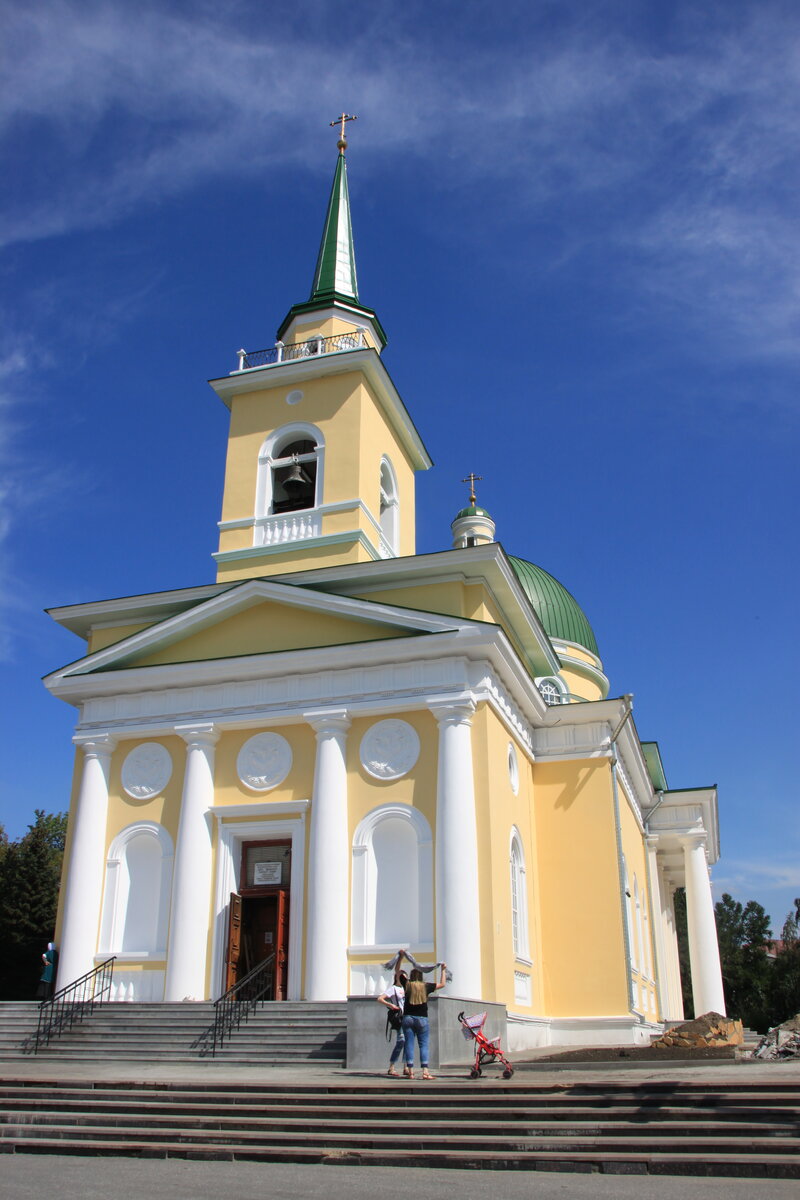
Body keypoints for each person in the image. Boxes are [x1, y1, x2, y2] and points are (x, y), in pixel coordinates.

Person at [401, 961, 446, 1080]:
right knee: (423, 1045)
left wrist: (400, 958)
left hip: (408, 1018)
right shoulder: (426, 986)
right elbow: (442, 984)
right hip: (422, 1019)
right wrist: (443, 970)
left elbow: (397, 972)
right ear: (421, 976)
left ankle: (410, 1072)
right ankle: (425, 1071)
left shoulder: (407, 985)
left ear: (411, 976)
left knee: (409, 1044)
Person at [376, 961, 409, 1077]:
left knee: (407, 1042)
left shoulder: (407, 988)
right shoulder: (394, 988)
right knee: (401, 1041)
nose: (405, 979)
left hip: (408, 1017)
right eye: (403, 977)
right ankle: (392, 1066)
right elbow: (380, 998)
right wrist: (392, 1006)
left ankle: (406, 1067)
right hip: (399, 1017)